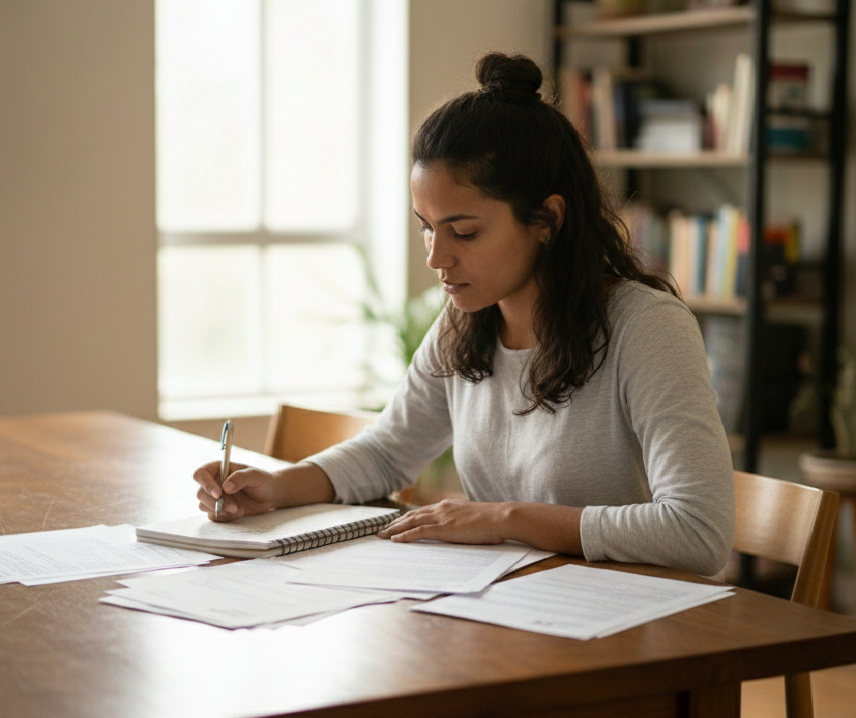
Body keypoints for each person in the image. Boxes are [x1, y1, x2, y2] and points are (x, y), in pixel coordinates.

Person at [195, 52, 735, 576]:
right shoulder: (466, 320)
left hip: (631, 627)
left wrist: (504, 520)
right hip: (508, 604)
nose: (436, 257)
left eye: (465, 231)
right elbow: (388, 453)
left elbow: (697, 531)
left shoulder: (646, 329)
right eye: (426, 226)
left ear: (546, 219)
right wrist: (278, 486)